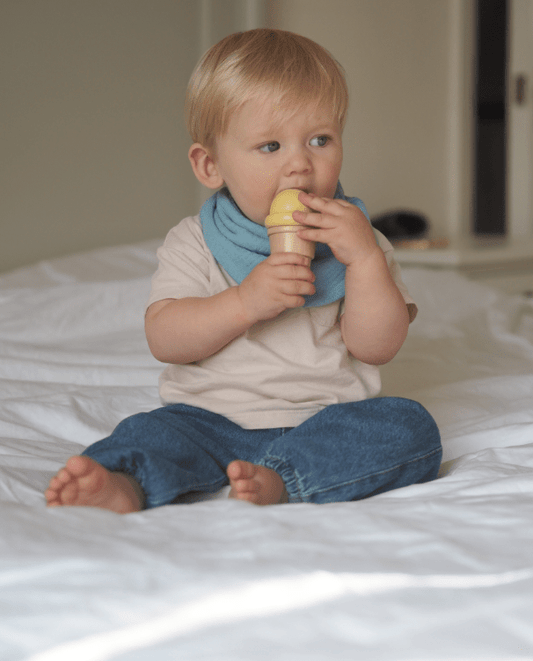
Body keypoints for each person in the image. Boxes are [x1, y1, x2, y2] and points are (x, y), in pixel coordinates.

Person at [45, 28, 442, 513]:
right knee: (149, 430)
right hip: (209, 419)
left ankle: (283, 477)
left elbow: (376, 348)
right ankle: (123, 484)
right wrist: (245, 302)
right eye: (270, 147)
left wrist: (363, 261)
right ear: (210, 165)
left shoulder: (360, 241)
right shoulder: (196, 241)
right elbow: (165, 339)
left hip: (324, 419)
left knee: (408, 425)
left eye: (320, 139)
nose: (300, 165)